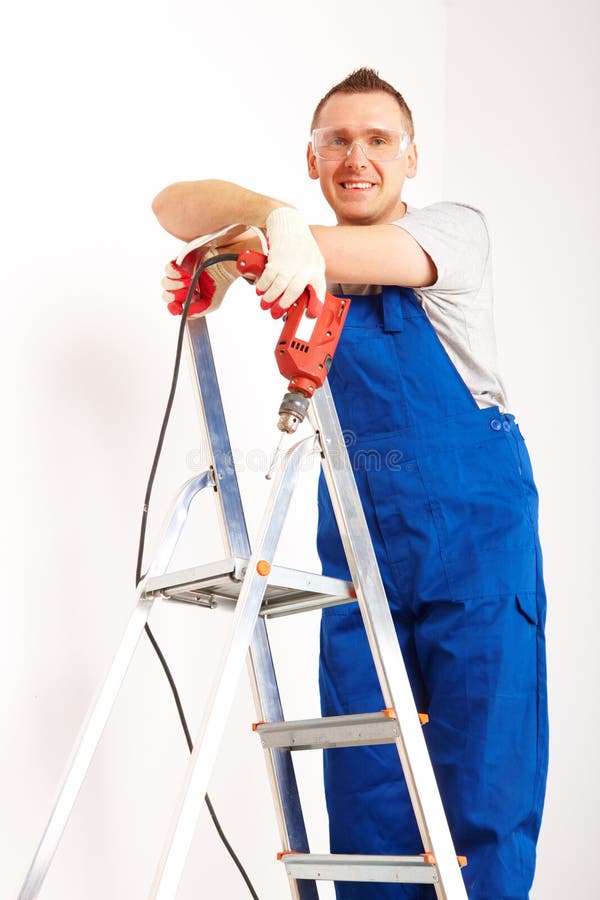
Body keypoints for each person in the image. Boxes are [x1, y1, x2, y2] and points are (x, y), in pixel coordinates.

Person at [153, 67, 548, 900]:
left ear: (411, 158)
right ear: (312, 158)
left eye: (378, 140)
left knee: (485, 776)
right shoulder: (300, 249)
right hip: (360, 539)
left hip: (475, 533)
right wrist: (266, 222)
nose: (356, 158)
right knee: (368, 791)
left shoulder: (452, 232)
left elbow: (358, 257)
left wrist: (245, 250)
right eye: (336, 141)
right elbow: (171, 205)